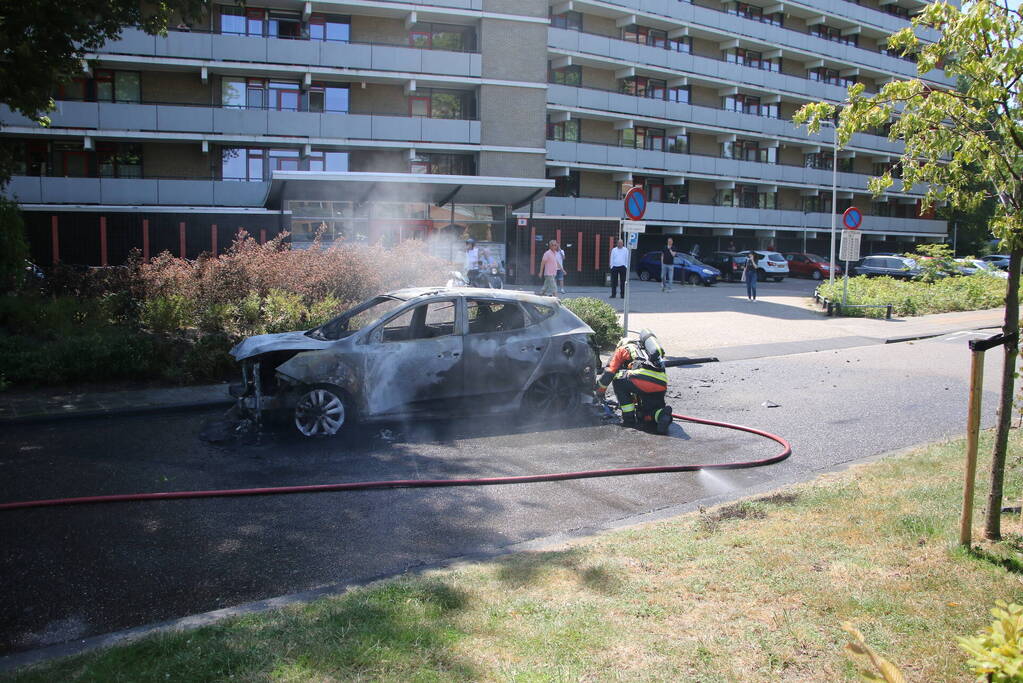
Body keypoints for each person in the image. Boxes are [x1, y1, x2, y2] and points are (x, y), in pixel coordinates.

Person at [595, 329, 672, 434]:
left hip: (642, 377)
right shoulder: (646, 351)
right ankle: (662, 416)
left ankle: (628, 418)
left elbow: (609, 372)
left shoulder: (623, 349)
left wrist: (599, 392)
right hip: (660, 382)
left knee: (618, 379)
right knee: (648, 413)